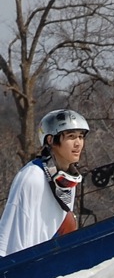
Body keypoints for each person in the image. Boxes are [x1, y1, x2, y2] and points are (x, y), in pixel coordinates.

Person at [0, 109, 89, 257]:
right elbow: (14, 236)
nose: (78, 143)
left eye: (81, 136)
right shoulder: (32, 177)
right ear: (50, 140)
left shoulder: (66, 179)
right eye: (71, 136)